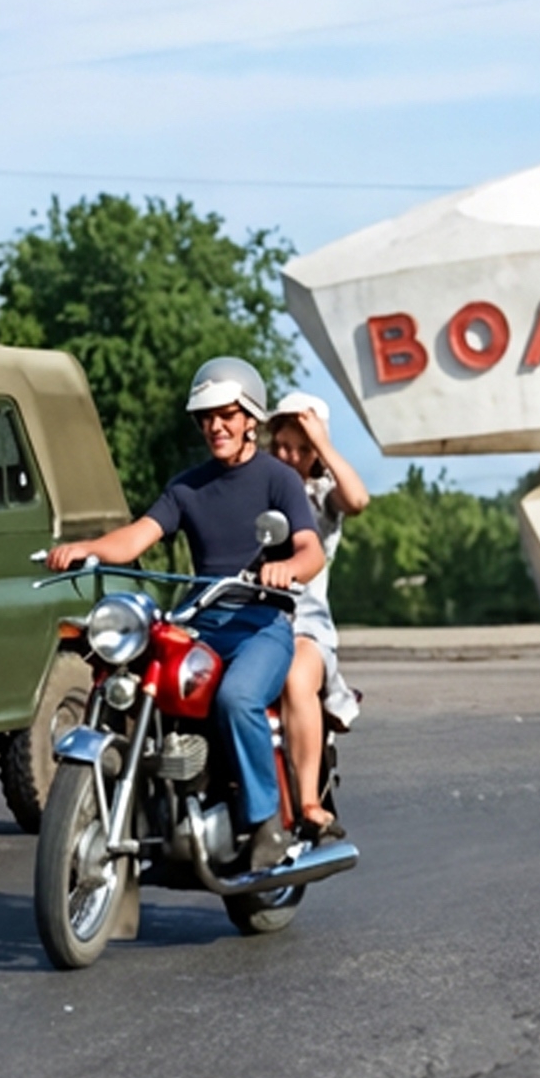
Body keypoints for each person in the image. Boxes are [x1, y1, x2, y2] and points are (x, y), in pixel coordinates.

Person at [47, 357, 324, 872]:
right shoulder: (188, 487)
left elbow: (311, 549)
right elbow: (136, 537)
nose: (214, 426)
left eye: (226, 415)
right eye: (205, 417)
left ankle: (266, 822)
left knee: (238, 697)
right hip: (201, 623)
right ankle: (142, 809)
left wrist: (286, 568)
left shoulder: (277, 479)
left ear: (249, 418)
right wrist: (84, 548)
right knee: (131, 684)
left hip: (259, 626)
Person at [267, 393, 369, 838]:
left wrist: (323, 444)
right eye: (283, 446)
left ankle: (309, 801)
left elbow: (359, 499)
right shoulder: (258, 485)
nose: (290, 457)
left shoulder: (320, 494)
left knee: (295, 677)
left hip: (304, 623)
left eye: (301, 449)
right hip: (248, 612)